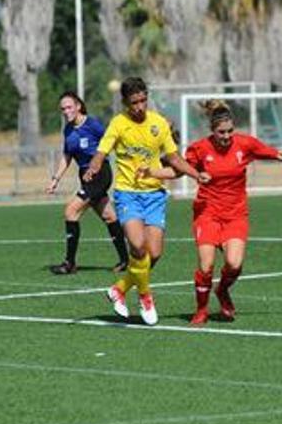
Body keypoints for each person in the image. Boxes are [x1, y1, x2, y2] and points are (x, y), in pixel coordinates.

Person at [142, 100, 282, 325]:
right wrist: (152, 172)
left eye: (230, 131)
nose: (226, 136)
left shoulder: (245, 144)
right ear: (212, 131)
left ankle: (222, 291)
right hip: (207, 213)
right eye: (221, 132)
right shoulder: (199, 148)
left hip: (235, 214)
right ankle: (201, 310)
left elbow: (278, 155)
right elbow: (178, 172)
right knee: (206, 266)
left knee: (234, 264)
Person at [83, 77, 208, 326]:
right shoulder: (118, 124)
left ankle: (119, 289)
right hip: (127, 193)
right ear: (125, 103)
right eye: (134, 102)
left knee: (155, 253)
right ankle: (145, 296)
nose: (139, 106)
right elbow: (102, 152)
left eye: (143, 100)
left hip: (154, 196)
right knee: (138, 247)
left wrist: (196, 174)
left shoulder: (159, 124)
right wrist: (94, 167)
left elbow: (173, 158)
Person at [45, 91, 128, 275]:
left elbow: (110, 142)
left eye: (69, 107)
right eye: (63, 109)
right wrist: (55, 180)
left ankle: (69, 263)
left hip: (99, 173)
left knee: (71, 211)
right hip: (85, 176)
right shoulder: (67, 130)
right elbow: (67, 156)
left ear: (78, 106)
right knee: (109, 217)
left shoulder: (92, 124)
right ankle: (125, 260)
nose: (66, 112)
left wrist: (98, 163)